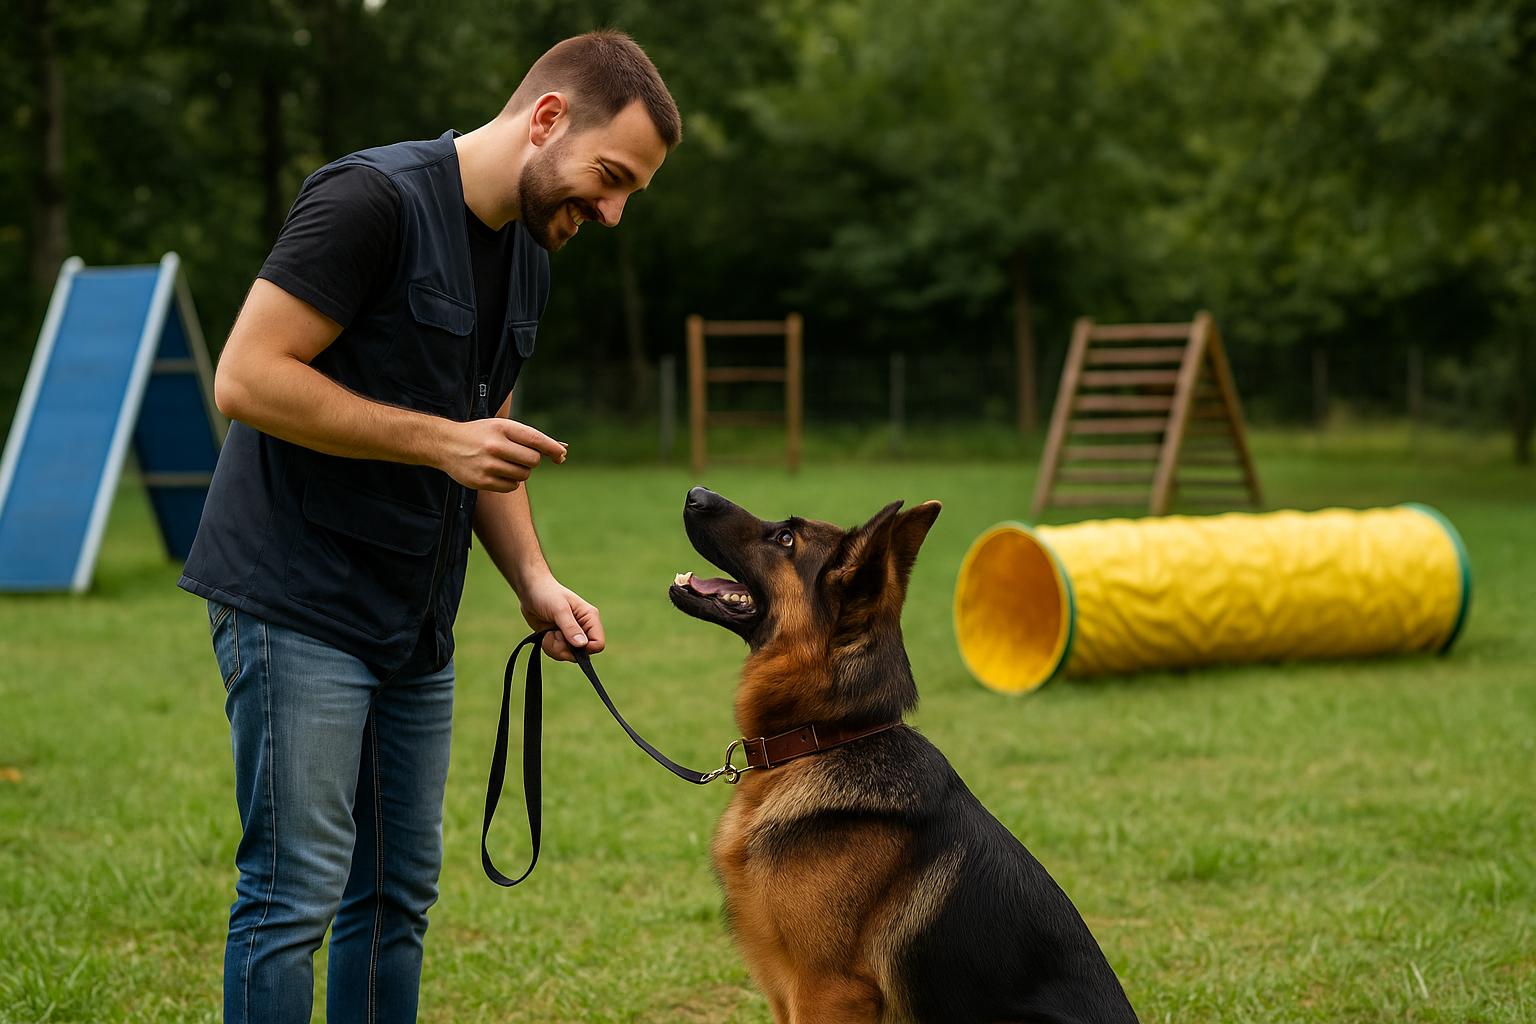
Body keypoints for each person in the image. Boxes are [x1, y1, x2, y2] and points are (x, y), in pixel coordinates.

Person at [177, 30, 680, 1024]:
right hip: (296, 599)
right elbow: (246, 378)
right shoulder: (369, 200)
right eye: (609, 176)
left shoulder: (531, 254)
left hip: (414, 623)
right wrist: (440, 442)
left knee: (396, 899)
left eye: (630, 194)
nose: (613, 212)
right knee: (293, 901)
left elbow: (480, 442)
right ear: (547, 119)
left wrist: (535, 579)